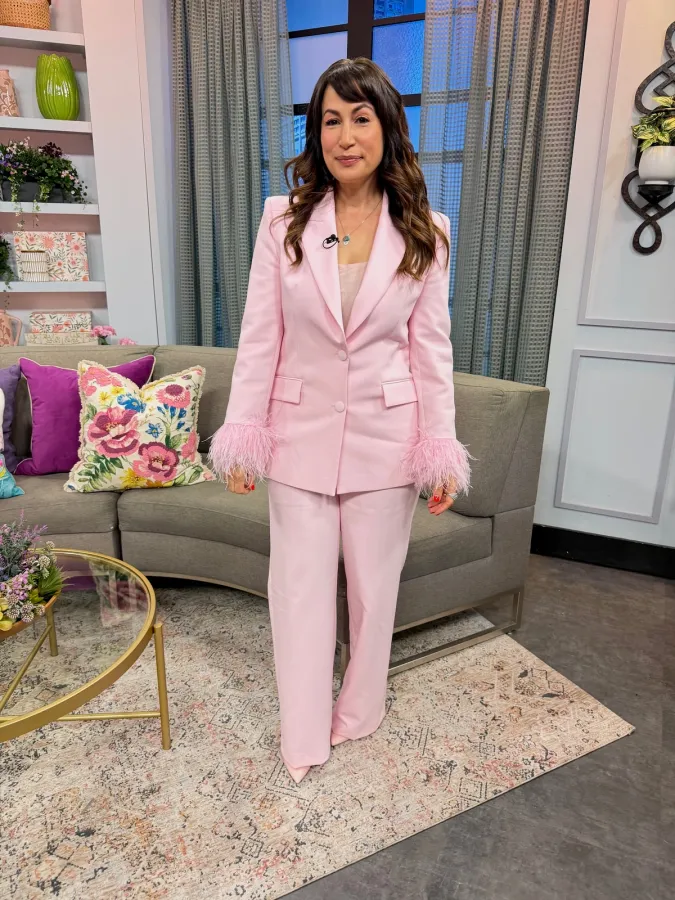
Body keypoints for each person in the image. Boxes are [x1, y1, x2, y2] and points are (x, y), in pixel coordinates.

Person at [209, 58, 470, 784]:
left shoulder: (427, 231)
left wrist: (438, 449)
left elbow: (431, 352)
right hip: (297, 437)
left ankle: (360, 709)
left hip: (389, 442)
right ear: (315, 133)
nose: (345, 136)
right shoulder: (283, 220)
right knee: (297, 591)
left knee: (374, 591)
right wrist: (243, 435)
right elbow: (260, 336)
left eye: (361, 118)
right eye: (330, 120)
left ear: (388, 129)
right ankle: (302, 733)